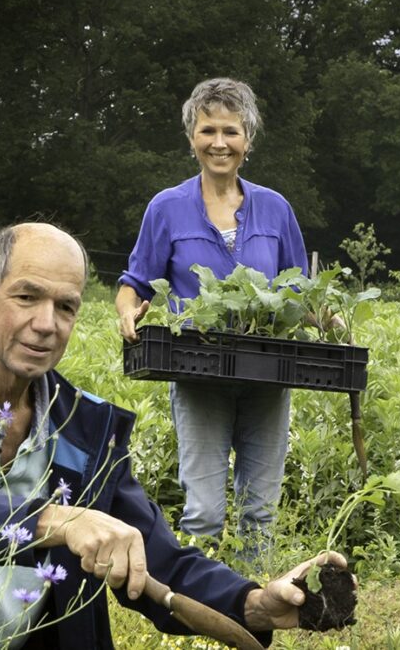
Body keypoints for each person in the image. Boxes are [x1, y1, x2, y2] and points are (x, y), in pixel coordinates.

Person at [0, 222, 347, 649]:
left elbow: (159, 559)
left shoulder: (85, 425)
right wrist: (53, 519)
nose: (46, 324)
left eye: (66, 307)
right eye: (27, 297)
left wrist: (255, 603)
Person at [116, 78, 309, 549]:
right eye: (207, 131)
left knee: (259, 513)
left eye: (230, 131)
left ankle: (251, 610)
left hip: (267, 373)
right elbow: (134, 282)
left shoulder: (276, 208)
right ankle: (200, 612)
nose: (219, 143)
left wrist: (329, 319)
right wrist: (127, 311)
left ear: (248, 140)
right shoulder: (167, 208)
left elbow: (300, 288)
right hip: (198, 373)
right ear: (191, 138)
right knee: (203, 511)